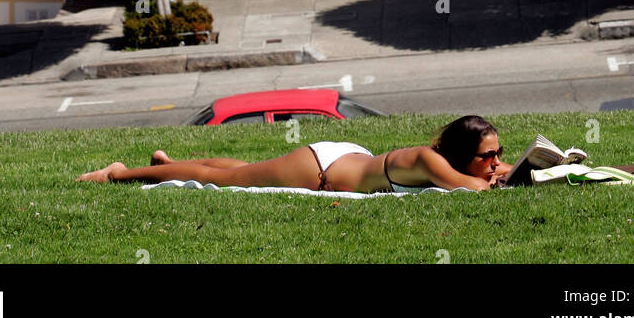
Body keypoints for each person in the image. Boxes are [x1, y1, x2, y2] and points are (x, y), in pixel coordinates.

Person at [77, 114, 513, 193]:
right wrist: (500, 178)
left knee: (246, 169)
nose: (496, 163)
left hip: (345, 158)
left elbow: (484, 173)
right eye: (488, 156)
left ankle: (166, 165)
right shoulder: (427, 160)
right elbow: (471, 187)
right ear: (460, 155)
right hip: (320, 168)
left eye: (499, 154)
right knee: (225, 180)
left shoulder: (445, 160)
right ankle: (119, 173)